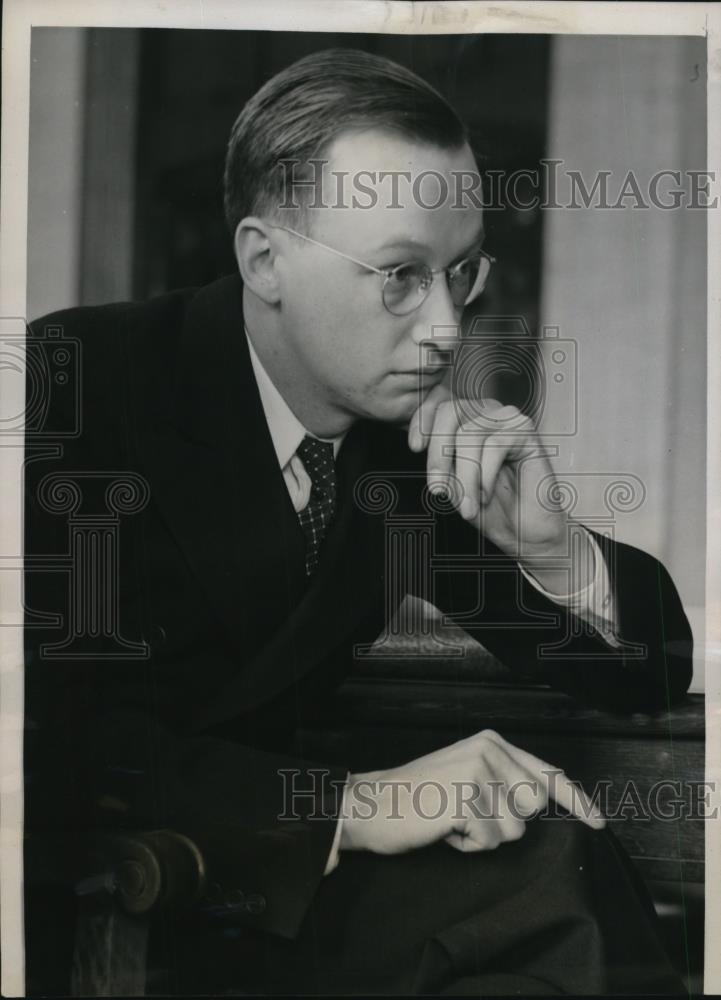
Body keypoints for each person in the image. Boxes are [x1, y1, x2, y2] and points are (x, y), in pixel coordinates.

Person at [23, 48, 693, 995]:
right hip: (108, 910)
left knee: (556, 861)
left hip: (277, 896)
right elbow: (47, 742)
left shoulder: (400, 451)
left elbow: (643, 680)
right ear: (264, 260)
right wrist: (349, 804)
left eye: (461, 273)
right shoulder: (76, 382)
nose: (447, 330)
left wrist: (553, 549)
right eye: (399, 276)